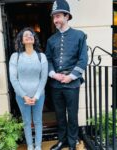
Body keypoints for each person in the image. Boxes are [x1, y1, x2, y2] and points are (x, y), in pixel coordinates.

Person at [45, 0, 88, 150]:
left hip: (72, 83)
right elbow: (48, 59)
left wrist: (71, 76)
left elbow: (83, 59)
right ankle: (62, 141)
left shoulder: (79, 36)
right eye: (54, 17)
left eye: (58, 16)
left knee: (73, 115)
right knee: (60, 115)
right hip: (56, 84)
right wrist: (53, 74)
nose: (55, 19)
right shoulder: (51, 40)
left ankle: (72, 143)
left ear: (67, 16)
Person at [9, 27, 48, 150]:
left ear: (34, 39)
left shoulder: (41, 56)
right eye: (25, 35)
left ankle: (38, 146)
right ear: (21, 40)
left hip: (39, 95)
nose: (28, 36)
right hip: (22, 97)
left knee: (37, 121)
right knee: (26, 121)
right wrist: (24, 96)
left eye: (31, 34)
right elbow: (13, 79)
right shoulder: (15, 57)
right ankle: (30, 145)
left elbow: (43, 78)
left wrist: (36, 96)